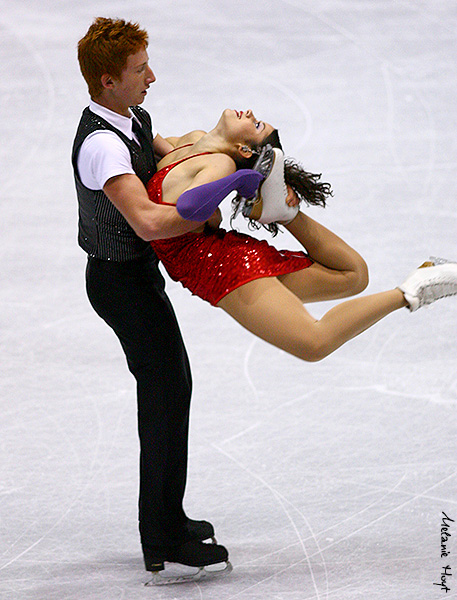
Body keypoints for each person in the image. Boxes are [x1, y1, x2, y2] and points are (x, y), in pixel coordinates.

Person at [72, 17, 232, 584]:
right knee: (166, 390)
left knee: (172, 387)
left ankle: (168, 519)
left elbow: (170, 154)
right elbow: (146, 221)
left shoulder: (133, 117)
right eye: (141, 70)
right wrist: (214, 198)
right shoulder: (101, 147)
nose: (153, 77)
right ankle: (159, 532)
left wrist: (230, 150)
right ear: (108, 80)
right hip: (118, 283)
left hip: (137, 279)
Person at [144, 108, 457, 362]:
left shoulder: (222, 164)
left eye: (255, 124)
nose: (250, 113)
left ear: (243, 149)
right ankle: (283, 212)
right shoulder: (190, 142)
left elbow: (188, 205)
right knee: (353, 275)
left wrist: (242, 178)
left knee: (314, 343)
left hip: (221, 268)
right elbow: (165, 156)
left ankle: (414, 290)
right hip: (222, 254)